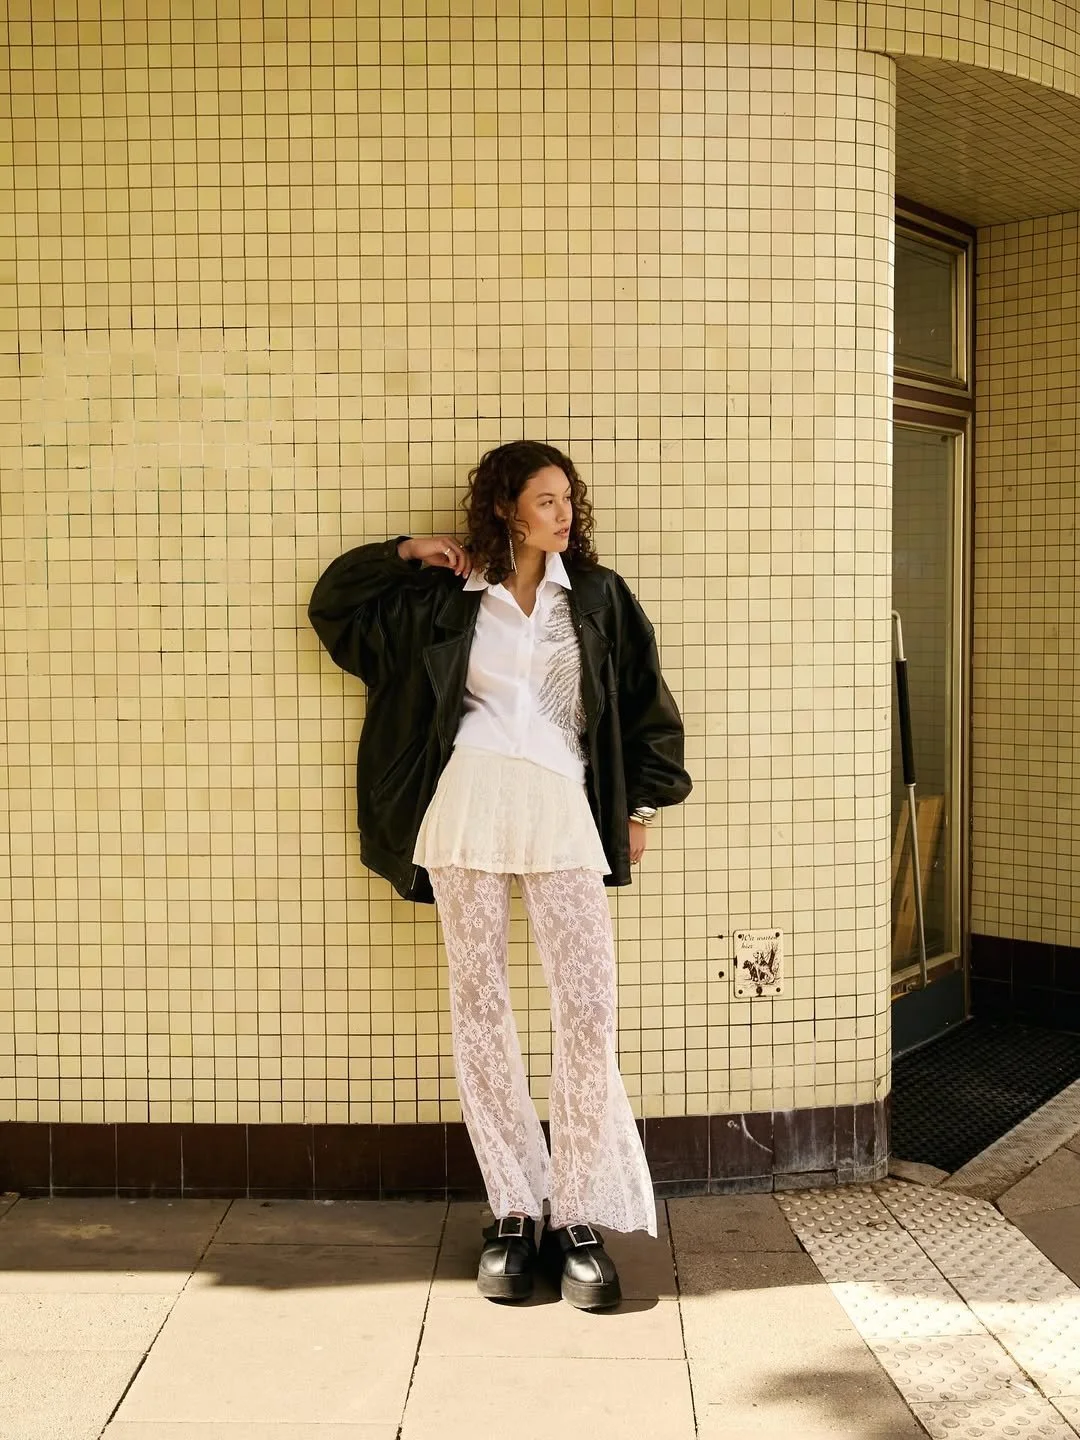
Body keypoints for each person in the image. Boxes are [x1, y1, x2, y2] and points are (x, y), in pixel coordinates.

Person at [309, 440, 692, 1309]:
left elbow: (643, 702)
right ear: (504, 508)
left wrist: (641, 808)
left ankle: (577, 1212)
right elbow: (334, 604)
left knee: (588, 1009)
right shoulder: (445, 599)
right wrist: (408, 551)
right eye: (545, 500)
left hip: (562, 809)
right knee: (479, 1005)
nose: (563, 513)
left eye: (567, 499)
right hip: (468, 808)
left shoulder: (596, 596)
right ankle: (515, 1208)